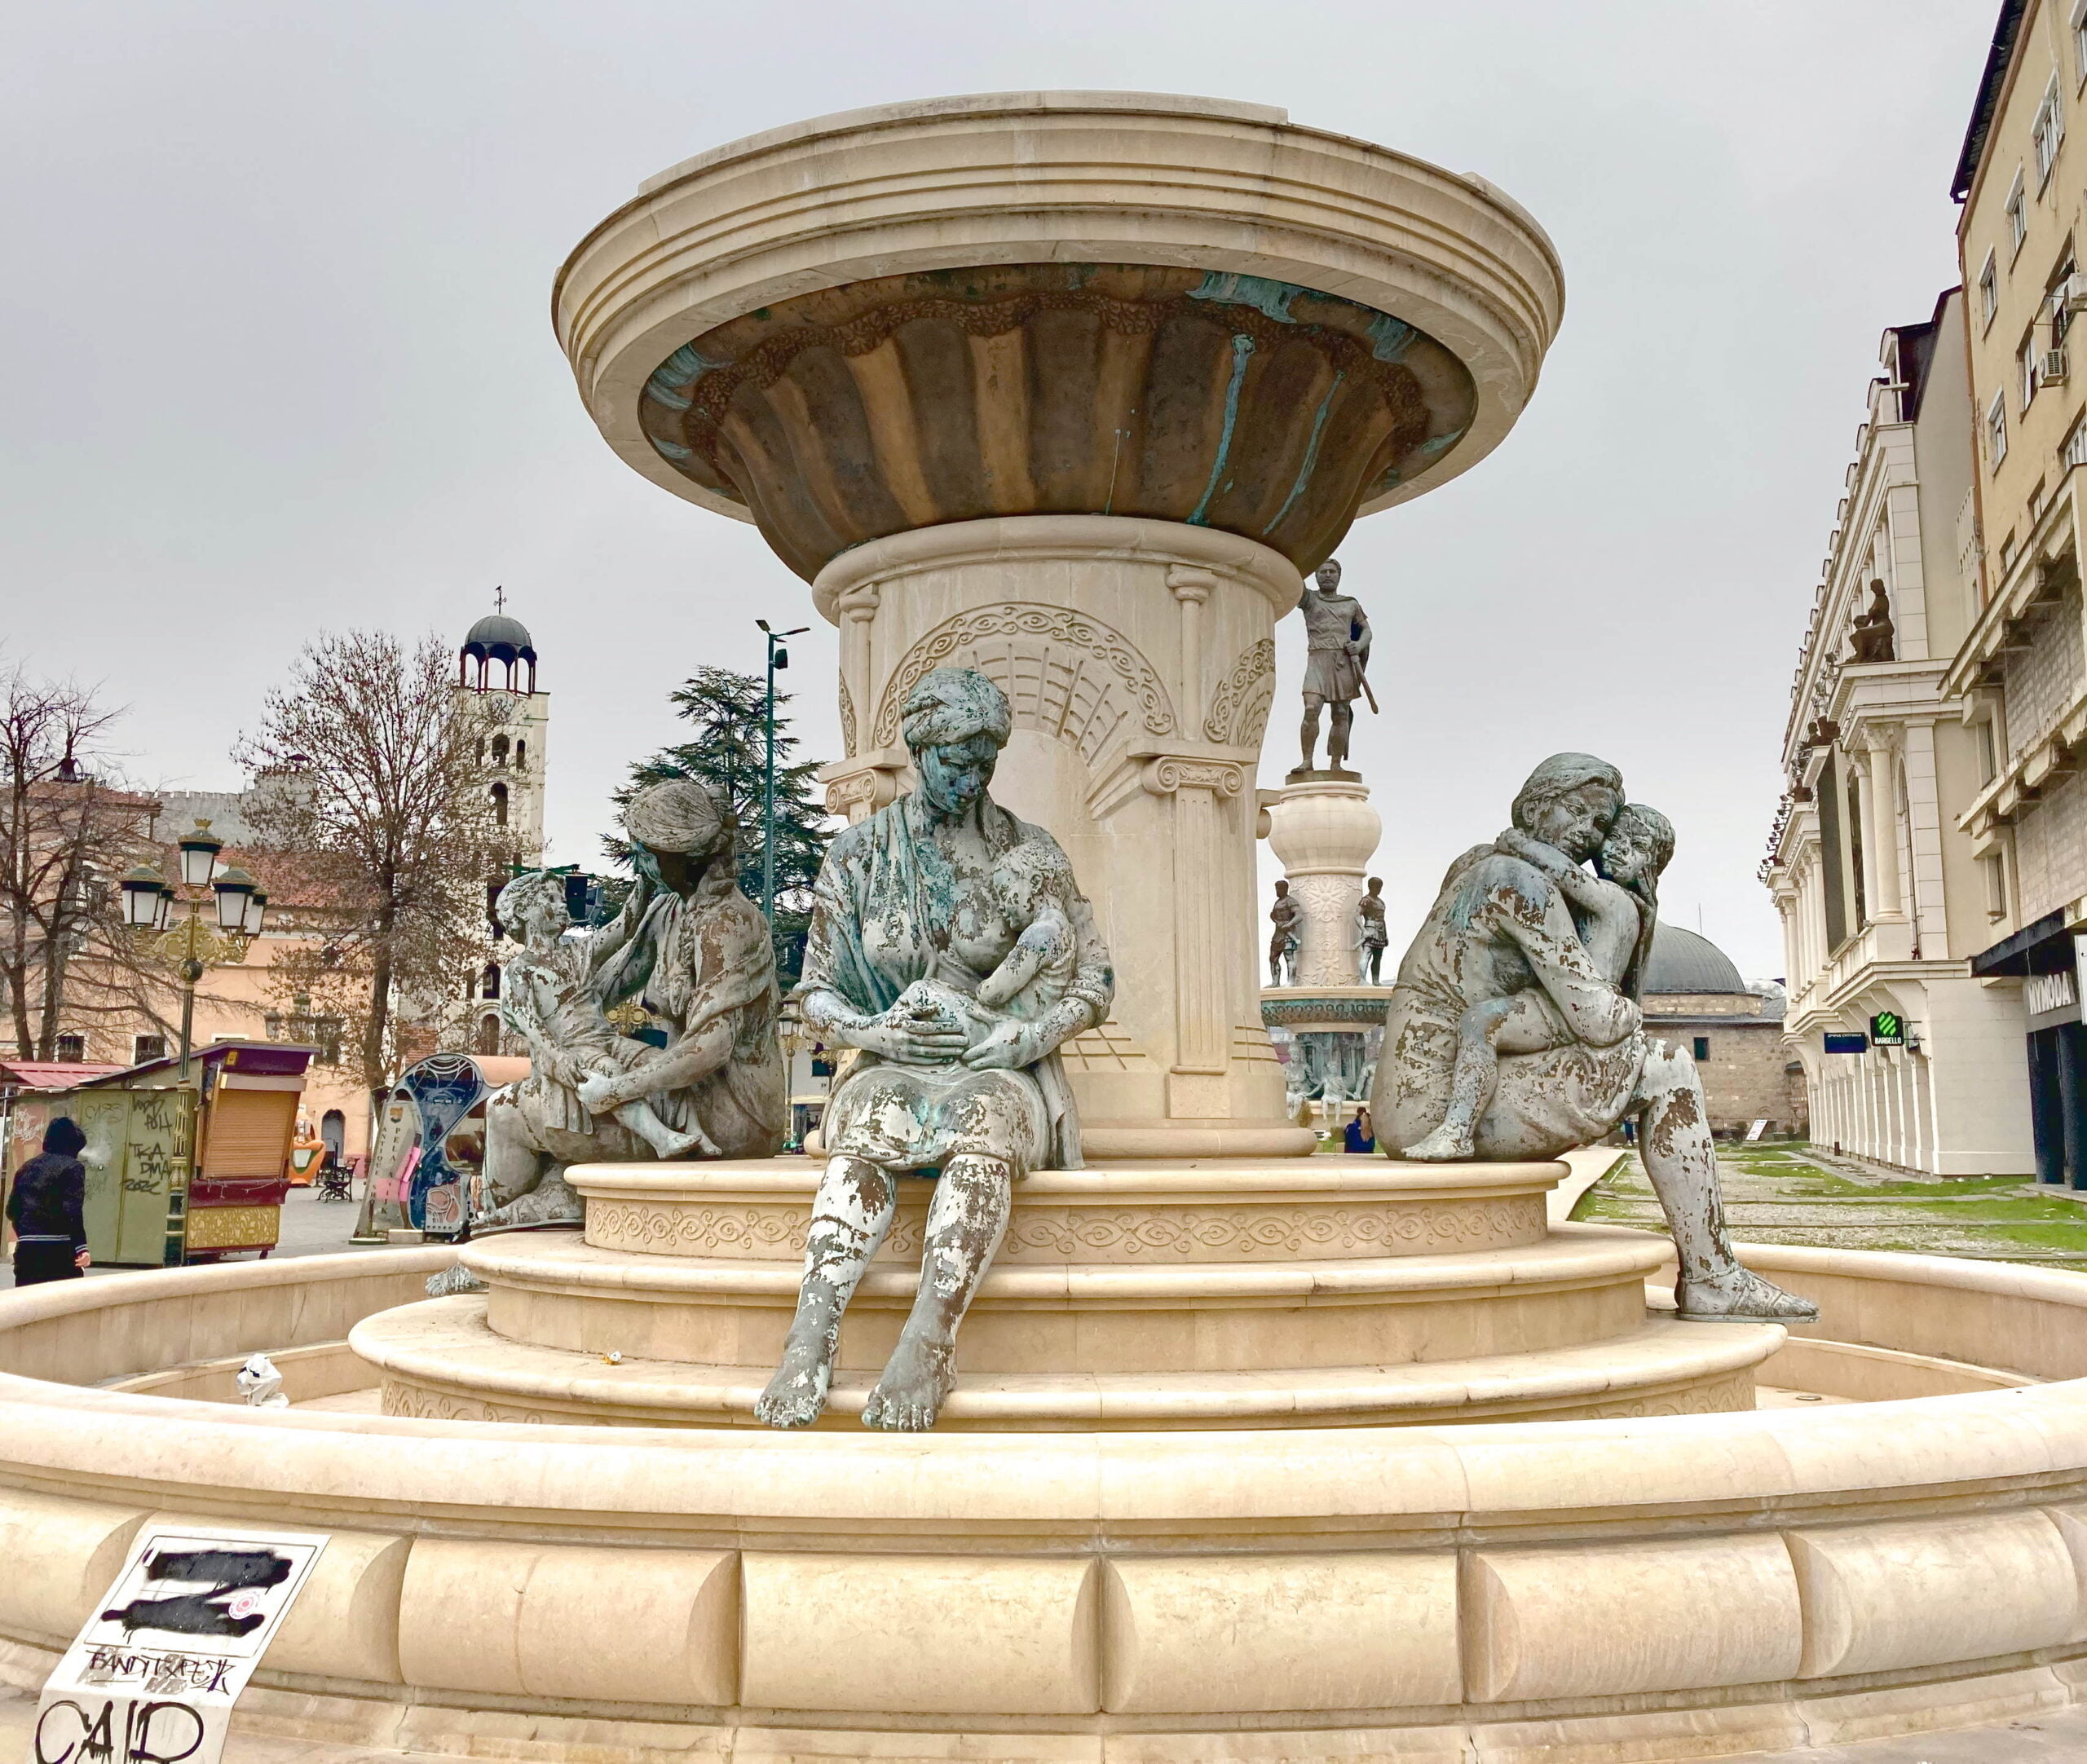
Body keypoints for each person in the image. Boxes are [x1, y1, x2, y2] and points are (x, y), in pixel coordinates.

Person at [757, 668, 1114, 1432]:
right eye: (956, 761)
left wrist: (1022, 1038)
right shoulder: (858, 854)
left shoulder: (1030, 850)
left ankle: (929, 1340)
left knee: (984, 1120)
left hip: (999, 1066)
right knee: (868, 1126)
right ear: (919, 751)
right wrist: (874, 1033)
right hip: (889, 1059)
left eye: (986, 762)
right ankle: (810, 1335)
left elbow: (1095, 979)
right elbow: (814, 991)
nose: (972, 778)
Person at [1368, 752, 1813, 1322]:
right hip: (1434, 1107)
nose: (1588, 832)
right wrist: (1628, 1011)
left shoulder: (1477, 864)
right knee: (1668, 1067)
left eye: (1601, 823)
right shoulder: (1523, 885)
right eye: (1577, 811)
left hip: (1408, 1101)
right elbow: (1593, 1018)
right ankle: (1713, 1278)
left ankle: (1715, 1278)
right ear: (1535, 807)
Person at [1402, 804, 1672, 1162]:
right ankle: (1458, 1128)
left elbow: (1568, 874)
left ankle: (1457, 1131)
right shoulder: (1601, 903)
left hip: (1575, 1010)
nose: (1619, 849)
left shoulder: (1615, 899)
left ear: (1651, 867)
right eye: (1616, 837)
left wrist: (1520, 844)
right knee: (1483, 1023)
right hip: (1561, 1005)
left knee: (1481, 1022)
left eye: (1636, 846)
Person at [7, 1118, 90, 1286]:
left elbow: (12, 1210)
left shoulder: (26, 1167)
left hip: (26, 1251)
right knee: (64, 1297)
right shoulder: (73, 1167)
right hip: (58, 1251)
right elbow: (72, 1211)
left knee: (29, 1299)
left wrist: (26, 1235)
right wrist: (81, 1247)